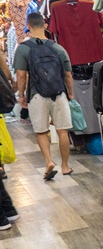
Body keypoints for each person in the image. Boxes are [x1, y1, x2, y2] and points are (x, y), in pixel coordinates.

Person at [14, 12, 73, 180]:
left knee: (41, 131)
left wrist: (22, 95)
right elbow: (68, 74)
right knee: (62, 131)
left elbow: (21, 75)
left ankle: (48, 162)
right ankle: (65, 166)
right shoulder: (58, 47)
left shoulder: (23, 49)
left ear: (28, 26)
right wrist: (70, 93)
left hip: (37, 95)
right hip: (59, 93)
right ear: (45, 26)